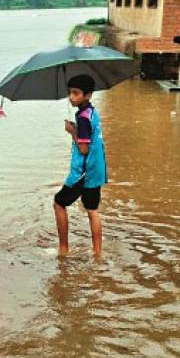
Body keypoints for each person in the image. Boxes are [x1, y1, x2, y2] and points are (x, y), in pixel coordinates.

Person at [54, 74, 108, 257]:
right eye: (70, 93)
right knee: (92, 209)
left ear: (88, 95)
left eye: (76, 93)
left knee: (59, 203)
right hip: (97, 169)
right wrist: (77, 129)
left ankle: (63, 249)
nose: (71, 97)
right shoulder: (91, 112)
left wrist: (72, 132)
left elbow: (83, 148)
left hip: (83, 172)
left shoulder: (82, 118)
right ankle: (97, 253)